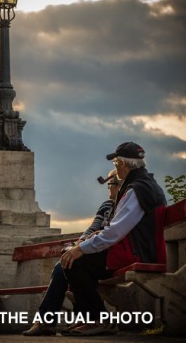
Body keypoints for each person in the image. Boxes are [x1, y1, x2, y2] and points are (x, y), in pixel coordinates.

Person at [59, 142, 166, 336]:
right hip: (141, 249)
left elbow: (115, 232)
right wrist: (92, 239)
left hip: (134, 253)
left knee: (74, 261)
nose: (116, 168)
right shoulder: (146, 185)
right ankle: (90, 319)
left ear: (123, 164)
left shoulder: (136, 190)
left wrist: (80, 248)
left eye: (117, 163)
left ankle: (97, 320)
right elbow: (120, 227)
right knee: (75, 259)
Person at [22, 169, 120, 336]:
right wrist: (81, 241)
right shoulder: (106, 206)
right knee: (63, 264)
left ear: (119, 185)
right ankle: (48, 321)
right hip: (92, 252)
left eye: (110, 184)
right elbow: (93, 227)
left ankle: (50, 321)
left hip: (107, 257)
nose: (108, 188)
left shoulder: (125, 206)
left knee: (68, 264)